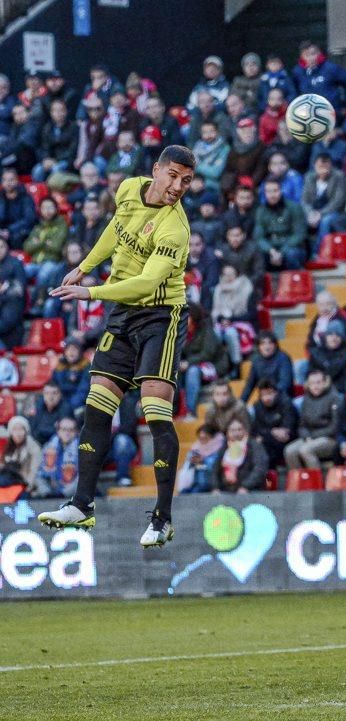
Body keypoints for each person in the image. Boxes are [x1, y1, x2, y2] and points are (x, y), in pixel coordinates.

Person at [39, 145, 196, 548]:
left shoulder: (175, 229)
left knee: (154, 409)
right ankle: (81, 505)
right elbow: (115, 228)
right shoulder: (129, 188)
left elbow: (147, 283)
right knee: (97, 405)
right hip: (123, 314)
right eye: (173, 176)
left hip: (161, 315)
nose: (178, 186)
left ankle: (162, 518)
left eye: (187, 181)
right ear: (156, 170)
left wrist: (90, 291)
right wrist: (85, 265)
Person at [284, 369, 340, 470]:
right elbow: (302, 425)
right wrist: (306, 436)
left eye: (318, 382)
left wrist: (313, 437)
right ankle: (300, 481)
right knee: (289, 451)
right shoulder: (306, 399)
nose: (315, 386)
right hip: (309, 437)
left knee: (306, 450)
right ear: (308, 385)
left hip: (329, 438)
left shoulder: (334, 398)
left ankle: (316, 482)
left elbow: (335, 427)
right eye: (312, 383)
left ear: (325, 383)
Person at [210, 418, 269, 494]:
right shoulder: (224, 448)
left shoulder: (254, 446)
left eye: (239, 429)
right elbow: (215, 469)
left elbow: (260, 469)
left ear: (245, 431)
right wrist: (215, 487)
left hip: (250, 490)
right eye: (232, 430)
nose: (236, 433)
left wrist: (245, 486)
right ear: (227, 433)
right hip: (225, 490)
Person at [35, 417, 80, 499]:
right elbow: (39, 474)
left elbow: (82, 479)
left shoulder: (82, 450)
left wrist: (64, 493)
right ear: (58, 431)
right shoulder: (48, 448)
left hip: (72, 496)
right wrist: (46, 493)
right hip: (48, 494)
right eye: (64, 429)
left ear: (76, 432)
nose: (67, 433)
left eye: (71, 430)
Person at [1, 416, 42, 497]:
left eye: (21, 429)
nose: (18, 433)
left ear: (25, 431)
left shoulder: (33, 447)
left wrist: (28, 487)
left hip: (24, 483)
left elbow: (34, 470)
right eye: (15, 429)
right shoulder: (8, 447)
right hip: (9, 482)